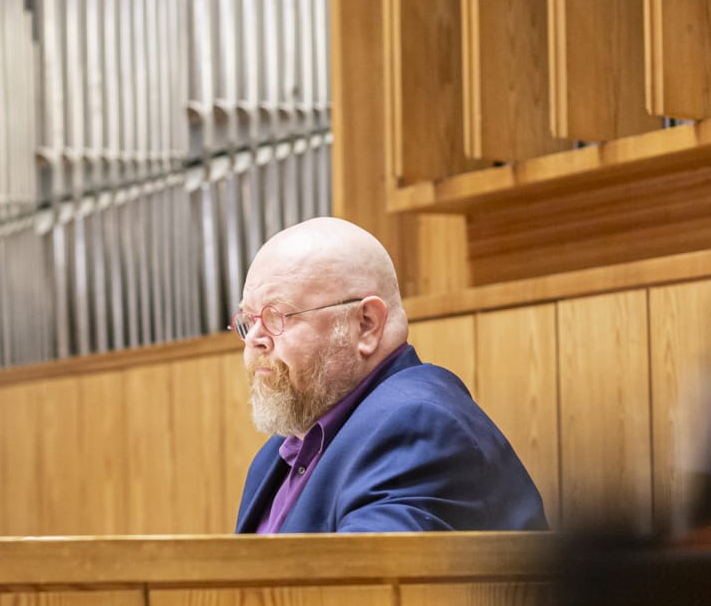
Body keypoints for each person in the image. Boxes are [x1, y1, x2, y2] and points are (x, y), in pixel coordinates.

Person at [233, 217, 546, 533]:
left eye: (277, 317)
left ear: (366, 324)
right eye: (249, 320)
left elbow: (367, 579)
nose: (254, 338)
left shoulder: (419, 426)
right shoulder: (276, 454)